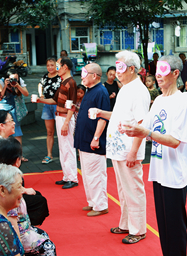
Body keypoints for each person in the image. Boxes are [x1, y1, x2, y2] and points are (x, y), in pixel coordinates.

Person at [121, 55, 187, 256]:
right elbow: (146, 125)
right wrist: (132, 129)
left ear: (176, 74)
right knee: (163, 220)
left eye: (163, 71)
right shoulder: (159, 100)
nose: (158, 75)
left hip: (174, 172)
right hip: (159, 169)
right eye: (157, 71)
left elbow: (174, 141)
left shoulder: (182, 102)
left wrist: (145, 132)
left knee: (175, 222)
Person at [92, 50, 150, 244]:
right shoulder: (125, 88)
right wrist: (102, 112)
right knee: (123, 190)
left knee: (133, 189)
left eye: (121, 67)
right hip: (118, 149)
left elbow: (142, 123)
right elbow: (119, 116)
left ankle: (138, 229)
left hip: (128, 150)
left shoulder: (138, 90)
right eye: (116, 67)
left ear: (132, 69)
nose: (117, 71)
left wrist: (134, 151)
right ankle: (126, 224)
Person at [74, 63, 111, 217]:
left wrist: (96, 138)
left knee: (96, 174)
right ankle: (92, 202)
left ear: (94, 76)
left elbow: (103, 118)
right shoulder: (90, 90)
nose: (82, 76)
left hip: (93, 141)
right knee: (88, 174)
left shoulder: (101, 92)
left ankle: (101, 205)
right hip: (84, 139)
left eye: (85, 73)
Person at [54, 58, 79, 189]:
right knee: (63, 148)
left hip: (65, 118)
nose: (56, 68)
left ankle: (73, 178)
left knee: (68, 147)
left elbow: (72, 105)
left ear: (65, 67)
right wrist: (40, 100)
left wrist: (66, 122)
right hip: (60, 117)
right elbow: (55, 100)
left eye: (58, 66)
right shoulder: (63, 82)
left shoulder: (71, 83)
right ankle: (67, 176)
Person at [35, 57, 61, 165]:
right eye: (48, 65)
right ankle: (49, 154)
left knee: (61, 132)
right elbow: (40, 84)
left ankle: (65, 153)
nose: (50, 67)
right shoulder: (45, 77)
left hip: (58, 106)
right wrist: (41, 94)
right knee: (50, 132)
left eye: (52, 65)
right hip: (46, 105)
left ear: (56, 65)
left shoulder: (60, 76)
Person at [0, 70, 29, 152]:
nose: (14, 80)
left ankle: (19, 155)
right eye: (12, 79)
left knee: (17, 130)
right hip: (3, 109)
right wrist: (5, 85)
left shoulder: (19, 82)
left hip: (14, 108)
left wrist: (18, 85)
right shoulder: (1, 82)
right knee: (3, 132)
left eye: (16, 78)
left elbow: (26, 94)